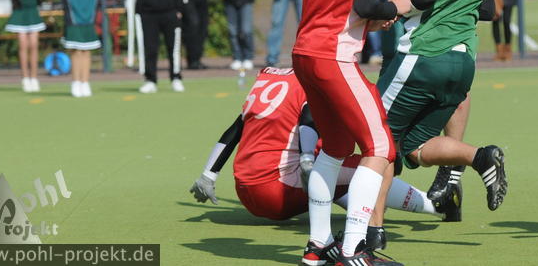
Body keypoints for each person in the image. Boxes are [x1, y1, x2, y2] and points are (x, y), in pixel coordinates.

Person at [374, 0, 507, 244]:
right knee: (413, 147)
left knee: (377, 141)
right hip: (463, 61)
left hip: (424, 55)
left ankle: (370, 232)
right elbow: (487, 9)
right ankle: (480, 157)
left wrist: (395, 6)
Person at [293, 0, 411, 266]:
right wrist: (395, 6)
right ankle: (354, 248)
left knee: (336, 147)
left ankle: (318, 246)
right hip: (335, 54)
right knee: (380, 147)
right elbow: (364, 3)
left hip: (305, 50)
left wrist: (368, 16)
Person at [189, 67, 444, 231]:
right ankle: (435, 206)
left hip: (246, 192)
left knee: (329, 161)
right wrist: (307, 160)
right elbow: (307, 120)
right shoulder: (310, 78)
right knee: (370, 162)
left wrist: (208, 175)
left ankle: (359, 206)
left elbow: (235, 129)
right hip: (277, 191)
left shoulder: (267, 77)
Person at [49, 0, 131, 97]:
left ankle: (85, 82)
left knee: (86, 53)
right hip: (73, 25)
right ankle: (75, 82)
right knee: (76, 53)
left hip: (88, 25)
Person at [135, 0, 185, 94]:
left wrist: (179, 9)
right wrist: (140, 11)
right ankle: (150, 80)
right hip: (149, 15)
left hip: (169, 13)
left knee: (173, 48)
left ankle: (175, 78)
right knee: (150, 48)